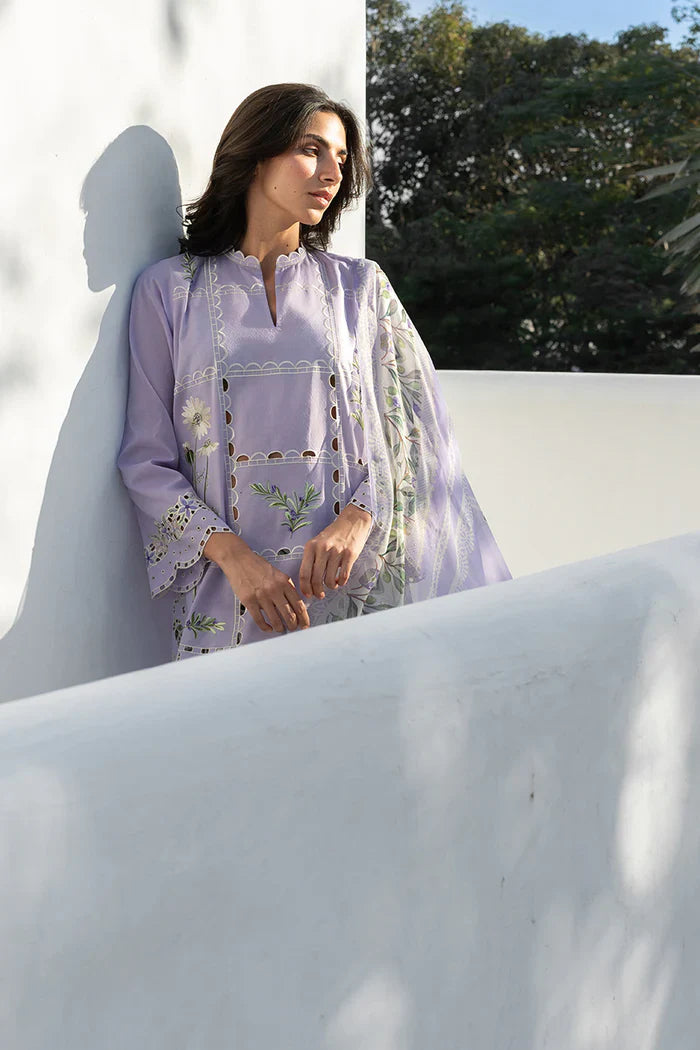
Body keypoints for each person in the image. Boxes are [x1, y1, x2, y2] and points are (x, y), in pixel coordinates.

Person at [117, 82, 512, 662]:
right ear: (255, 154)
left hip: (352, 589)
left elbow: (414, 432)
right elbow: (146, 461)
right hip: (231, 599)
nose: (332, 173)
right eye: (311, 149)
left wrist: (359, 517)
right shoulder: (170, 291)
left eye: (342, 158)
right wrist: (237, 560)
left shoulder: (360, 288)